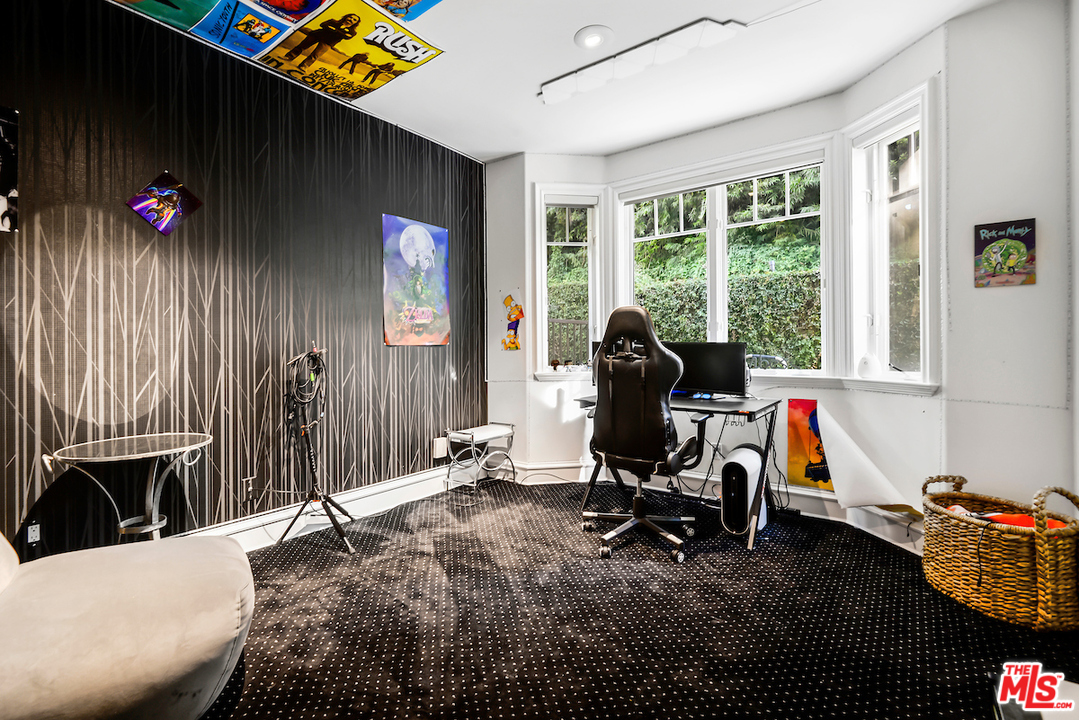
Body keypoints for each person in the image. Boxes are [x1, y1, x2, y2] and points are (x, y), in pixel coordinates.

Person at [283, 14, 360, 72]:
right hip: (316, 35)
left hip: (328, 42)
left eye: (354, 19)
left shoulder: (352, 32)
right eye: (350, 17)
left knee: (315, 55)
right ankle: (289, 56)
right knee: (301, 46)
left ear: (355, 23)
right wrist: (339, 32)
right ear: (346, 17)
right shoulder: (333, 21)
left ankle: (304, 66)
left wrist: (333, 29)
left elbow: (347, 37)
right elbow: (323, 24)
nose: (351, 19)